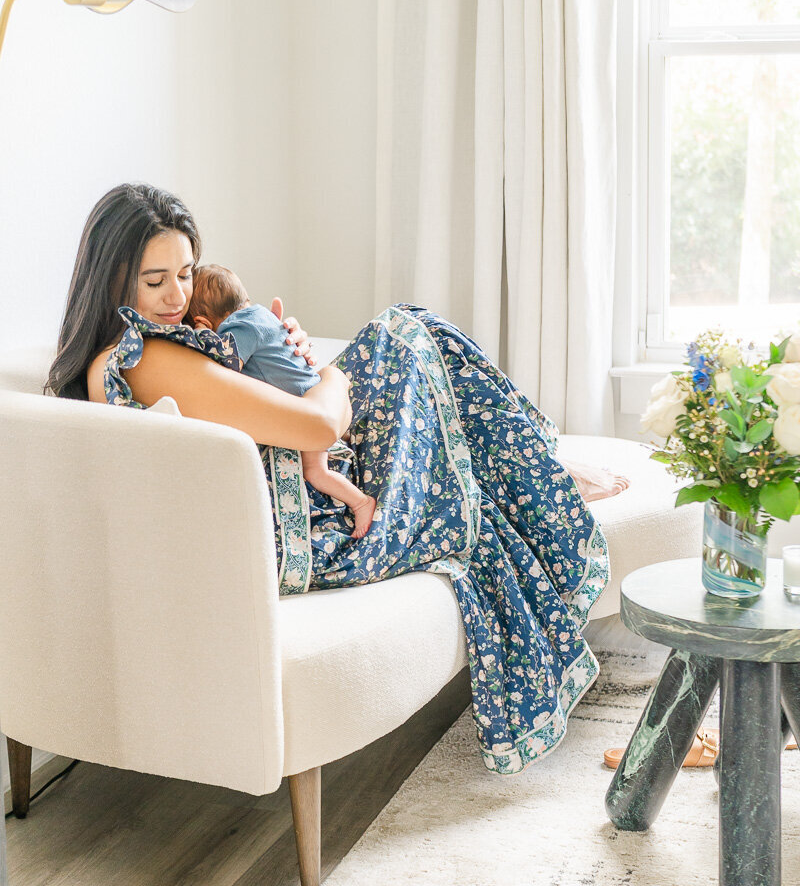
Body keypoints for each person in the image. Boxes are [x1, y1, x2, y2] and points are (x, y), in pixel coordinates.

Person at [48, 182, 624, 773]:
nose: (177, 295)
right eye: (155, 280)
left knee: (412, 347)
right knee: (406, 330)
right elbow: (320, 425)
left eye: (187, 273)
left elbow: (262, 410)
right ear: (113, 278)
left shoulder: (134, 354)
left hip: (298, 494)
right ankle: (538, 466)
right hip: (312, 529)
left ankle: (533, 463)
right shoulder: (145, 357)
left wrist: (281, 354)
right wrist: (330, 377)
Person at [186, 263, 377, 537]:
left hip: (307, 408)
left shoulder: (236, 328)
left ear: (203, 322)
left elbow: (226, 369)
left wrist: (204, 340)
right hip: (313, 390)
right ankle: (346, 439)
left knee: (316, 473)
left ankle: (361, 502)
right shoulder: (261, 316)